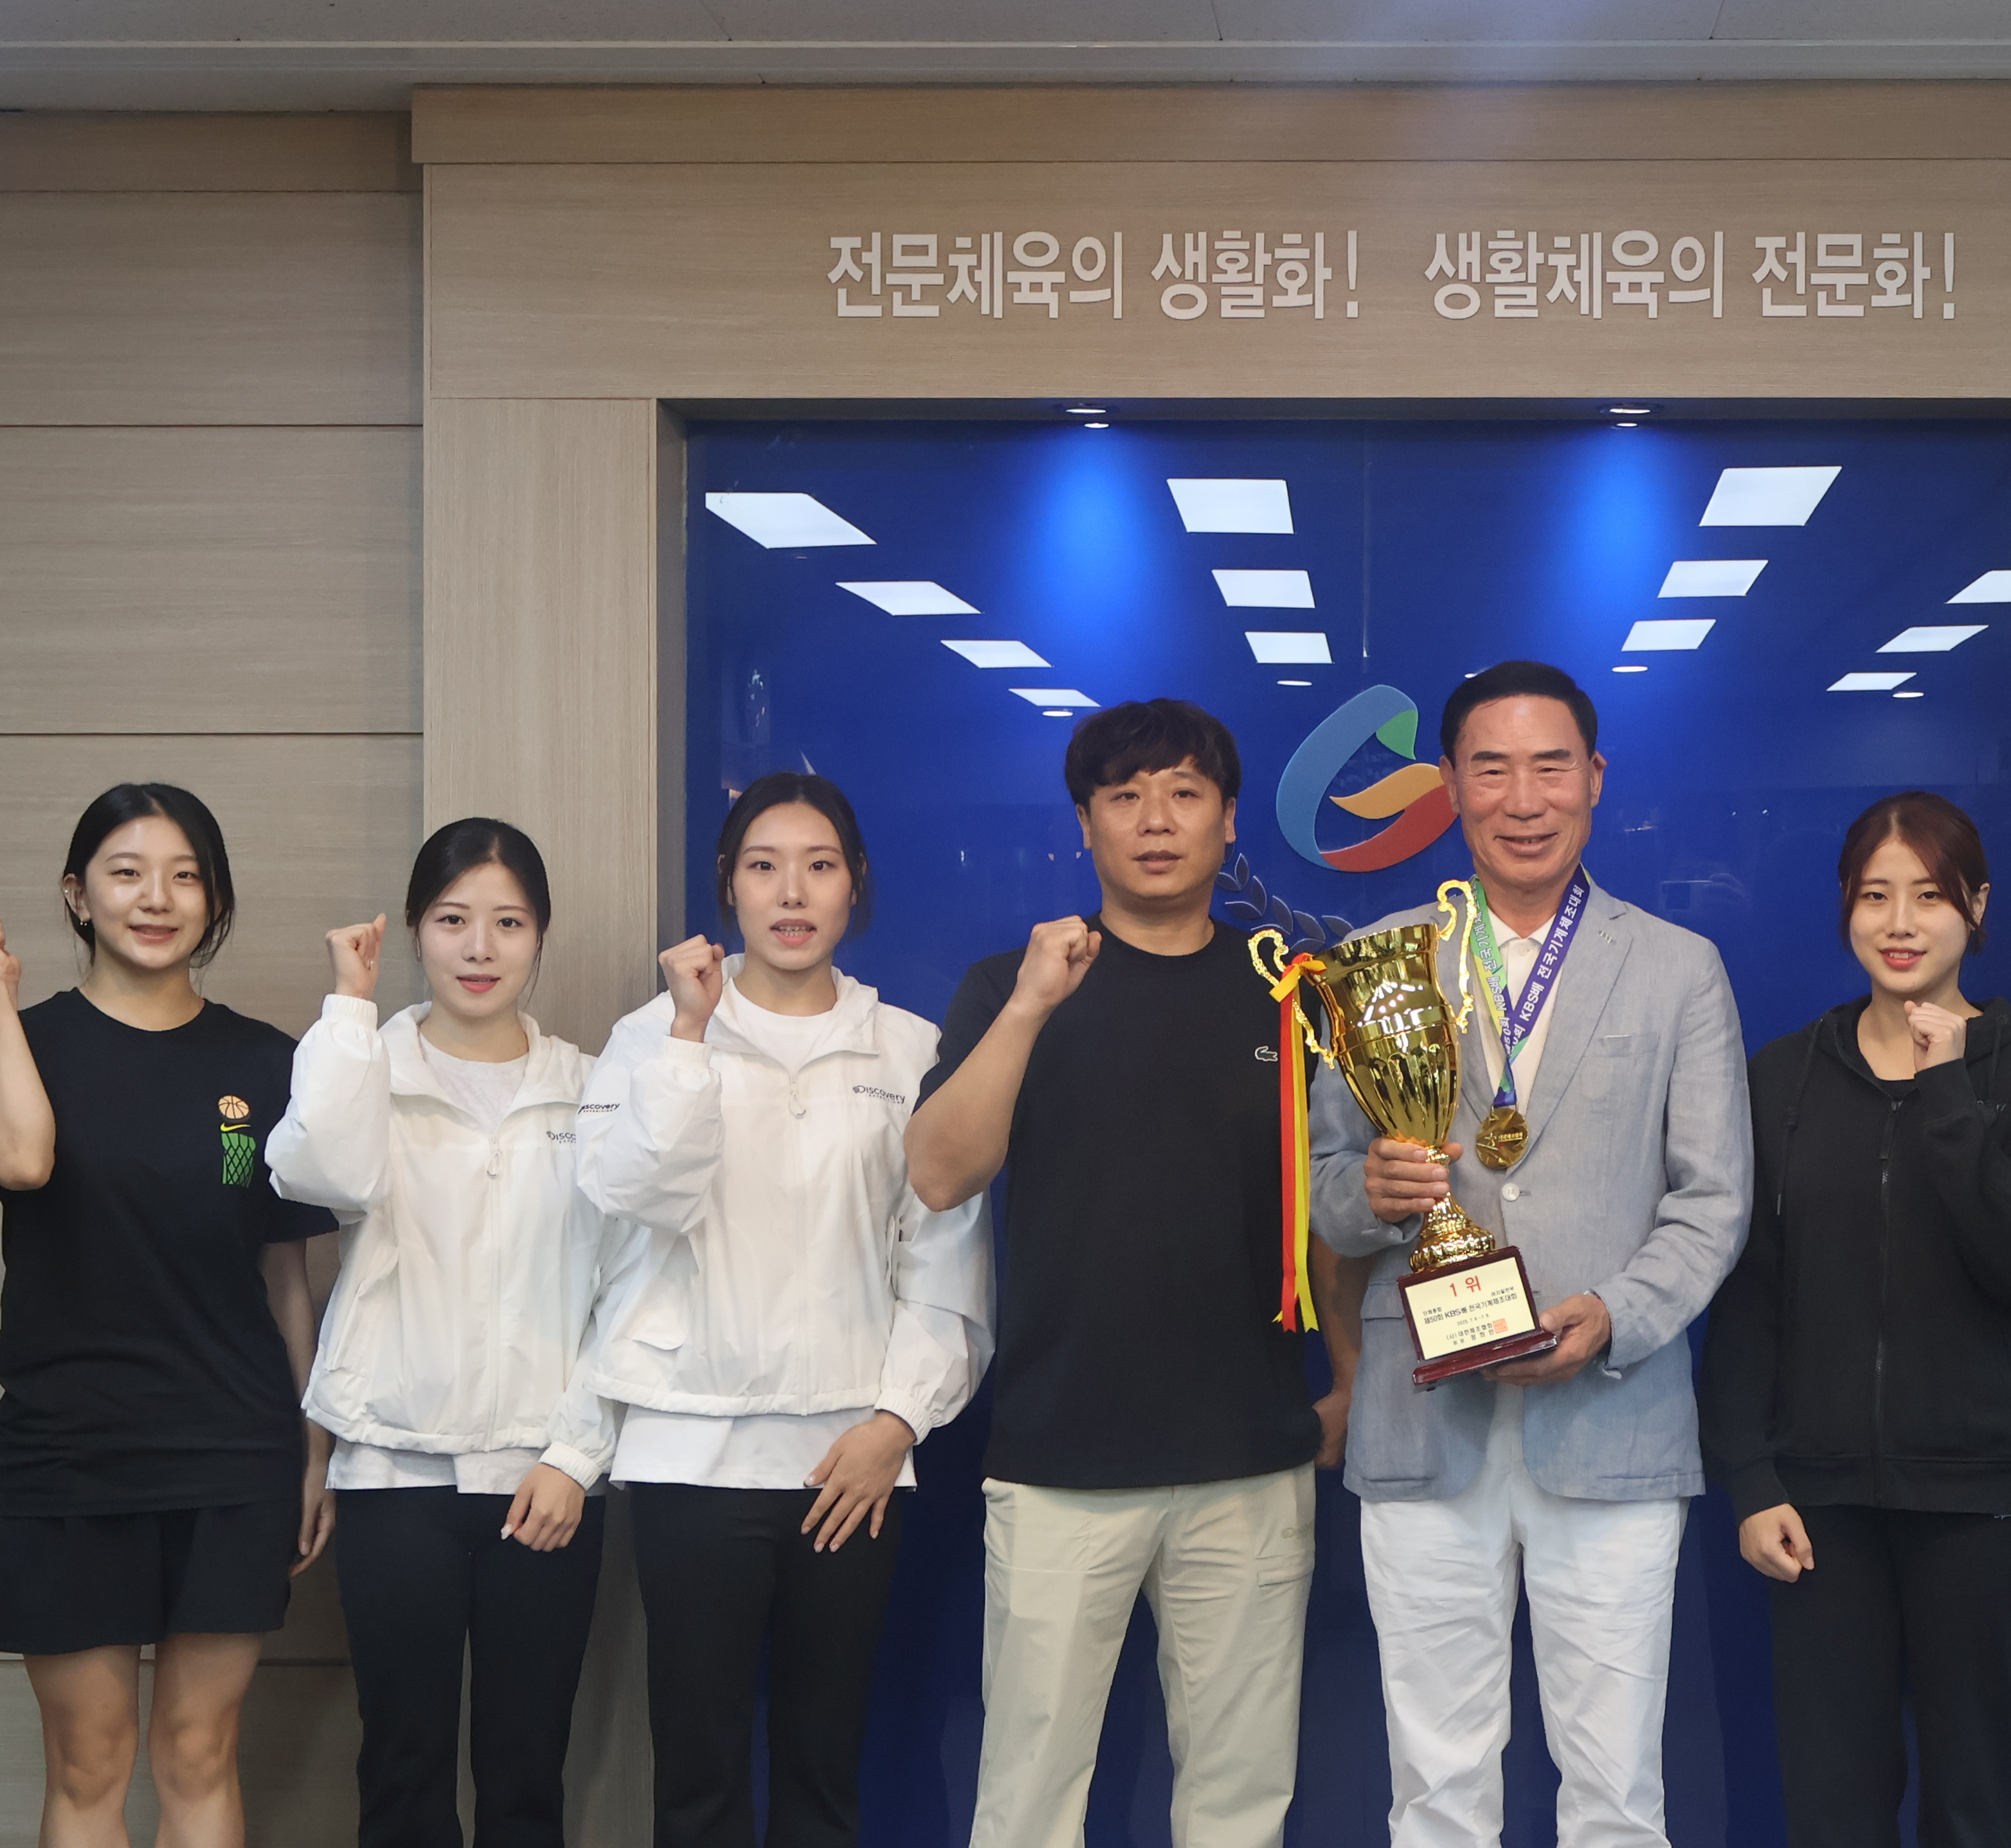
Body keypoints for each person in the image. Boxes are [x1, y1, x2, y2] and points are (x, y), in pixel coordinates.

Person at [1310, 660, 1751, 1848]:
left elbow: (1714, 1203)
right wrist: (1370, 1194)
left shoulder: (1678, 967)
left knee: (1616, 1788)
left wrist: (1614, 1314)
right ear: (1449, 785)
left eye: (1550, 767)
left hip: (1611, 1418)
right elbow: (1326, 1191)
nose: (1523, 798)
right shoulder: (1380, 960)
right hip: (1422, 1423)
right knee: (1435, 1785)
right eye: (1491, 768)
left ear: (1594, 779)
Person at [905, 699, 1358, 1848]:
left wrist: (1351, 1379)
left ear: (1228, 819)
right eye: (1125, 797)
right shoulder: (1012, 982)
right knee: (1029, 1797)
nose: (1156, 821)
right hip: (1062, 1460)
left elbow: (1328, 1209)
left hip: (1249, 1458)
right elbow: (941, 1175)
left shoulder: (1290, 992)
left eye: (1184, 794)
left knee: (1239, 1798)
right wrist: (1029, 1009)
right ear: (1086, 824)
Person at [577, 772, 993, 1848]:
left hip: (848, 1462)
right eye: (764, 867)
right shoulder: (654, 1036)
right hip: (689, 1451)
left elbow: (944, 1256)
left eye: (819, 866)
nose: (792, 892)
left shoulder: (907, 1048)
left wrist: (897, 1421)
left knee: (822, 1769)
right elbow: (631, 1196)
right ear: (729, 885)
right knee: (698, 1777)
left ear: (856, 885)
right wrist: (689, 1036)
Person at [1700, 789, 2011, 1848]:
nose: (1901, 922)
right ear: (1846, 908)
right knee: (1835, 1803)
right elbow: (1748, 1297)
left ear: (1978, 906)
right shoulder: (1785, 1074)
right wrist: (1752, 1478)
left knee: (1974, 1805)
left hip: (1982, 1500)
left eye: (1930, 895)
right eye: (1876, 896)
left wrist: (1947, 1092)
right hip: (1818, 1503)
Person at [0, 782, 337, 1847]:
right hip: (71, 1449)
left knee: (200, 1752)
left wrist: (313, 1448)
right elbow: (20, 1162)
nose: (157, 898)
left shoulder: (265, 1064)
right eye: (126, 874)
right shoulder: (8, 1039)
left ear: (214, 900)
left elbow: (284, 1274)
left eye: (185, 876)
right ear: (78, 895)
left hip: (233, 1450)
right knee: (90, 1760)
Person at [264, 818, 615, 1848]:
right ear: (416, 930)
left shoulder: (592, 1086)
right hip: (393, 1472)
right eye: (454, 920)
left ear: (540, 936)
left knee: (526, 1772)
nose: (480, 948)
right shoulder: (361, 1063)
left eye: (508, 922)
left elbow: (628, 1290)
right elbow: (316, 1174)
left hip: (545, 1480)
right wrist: (347, 1006)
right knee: (403, 1770)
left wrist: (576, 1456)